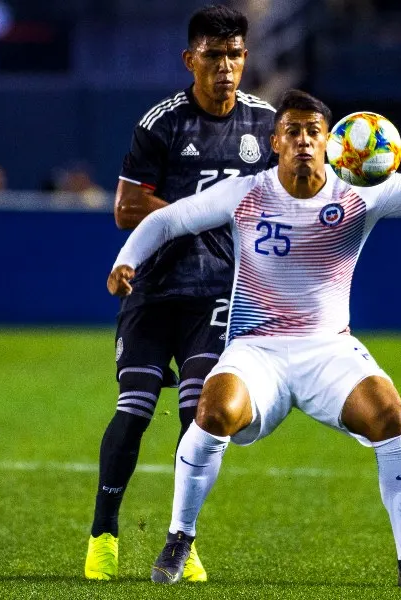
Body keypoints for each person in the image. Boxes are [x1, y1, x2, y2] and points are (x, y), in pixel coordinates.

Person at [106, 90, 401, 589]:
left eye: (312, 132)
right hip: (258, 349)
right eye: (292, 132)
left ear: (330, 142)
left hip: (329, 350)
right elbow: (170, 219)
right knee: (212, 410)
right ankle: (178, 539)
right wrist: (127, 258)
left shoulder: (361, 191)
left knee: (390, 416)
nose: (302, 141)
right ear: (274, 141)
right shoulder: (246, 193)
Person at [84, 4, 277, 582]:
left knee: (198, 414)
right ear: (189, 59)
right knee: (135, 408)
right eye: (213, 56)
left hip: (219, 294)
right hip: (155, 290)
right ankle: (103, 533)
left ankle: (180, 540)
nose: (226, 67)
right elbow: (125, 209)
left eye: (235, 55)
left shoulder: (265, 125)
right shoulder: (162, 124)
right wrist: (195, 216)